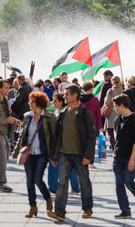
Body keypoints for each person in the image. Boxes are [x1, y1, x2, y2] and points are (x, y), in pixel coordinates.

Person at [48, 85, 95, 222]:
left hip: (80, 155)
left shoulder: (84, 113)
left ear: (75, 96)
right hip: (64, 154)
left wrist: (88, 156)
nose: (65, 96)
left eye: (67, 93)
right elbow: (57, 137)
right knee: (62, 183)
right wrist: (55, 155)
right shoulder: (62, 113)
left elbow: (91, 136)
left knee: (84, 182)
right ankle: (59, 212)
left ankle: (87, 208)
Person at [12, 92, 56, 218]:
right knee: (29, 181)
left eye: (31, 101)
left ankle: (48, 199)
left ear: (38, 103)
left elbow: (53, 137)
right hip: (29, 153)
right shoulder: (27, 116)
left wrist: (54, 155)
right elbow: (22, 135)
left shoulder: (49, 117)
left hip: (42, 152)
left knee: (37, 179)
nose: (29, 103)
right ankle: (33, 206)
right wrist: (16, 150)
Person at [47, 93, 81, 195]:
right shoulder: (59, 111)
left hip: (62, 144)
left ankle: (54, 187)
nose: (53, 103)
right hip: (66, 144)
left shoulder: (64, 113)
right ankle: (75, 188)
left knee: (54, 165)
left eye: (55, 101)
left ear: (61, 101)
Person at [111, 94, 135, 219]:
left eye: (115, 105)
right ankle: (125, 211)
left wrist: (132, 160)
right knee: (119, 184)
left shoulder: (133, 119)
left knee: (128, 182)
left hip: (130, 157)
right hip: (117, 157)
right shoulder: (117, 119)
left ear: (121, 105)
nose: (114, 108)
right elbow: (117, 138)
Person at [103, 76, 123, 150]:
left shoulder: (110, 90)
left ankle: (114, 146)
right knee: (119, 131)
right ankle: (119, 146)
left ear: (112, 81)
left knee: (111, 132)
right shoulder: (123, 90)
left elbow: (107, 103)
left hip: (111, 113)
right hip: (121, 112)